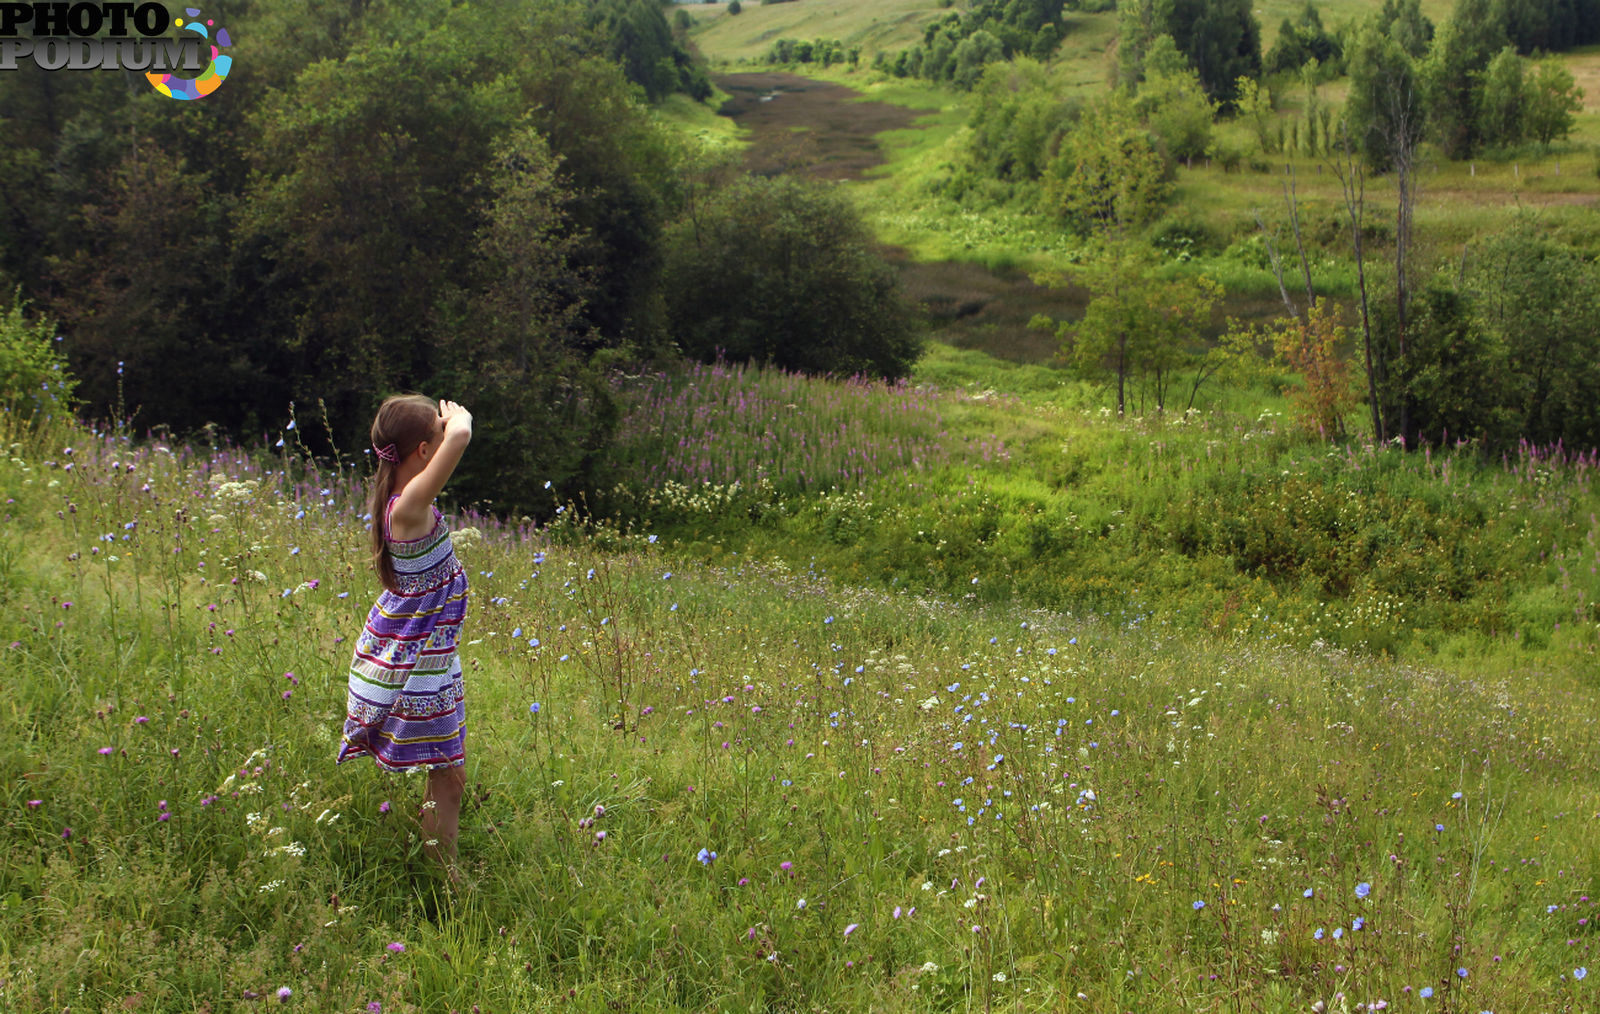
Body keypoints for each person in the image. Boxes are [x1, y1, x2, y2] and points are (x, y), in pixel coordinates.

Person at [337, 394, 473, 875]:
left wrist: (443, 425)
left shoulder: (401, 502)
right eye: (434, 437)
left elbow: (448, 439)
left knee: (449, 777)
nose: (445, 438)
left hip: (432, 661)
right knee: (448, 778)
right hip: (420, 670)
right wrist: (457, 420)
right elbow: (460, 435)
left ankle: (443, 867)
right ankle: (446, 880)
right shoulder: (409, 507)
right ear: (421, 450)